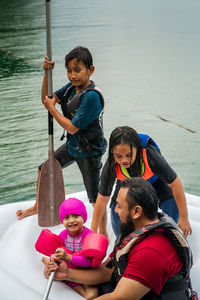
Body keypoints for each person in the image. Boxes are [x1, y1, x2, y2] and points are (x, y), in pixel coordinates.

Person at [43, 178, 195, 300]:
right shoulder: (134, 230)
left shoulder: (151, 251)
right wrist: (66, 273)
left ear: (137, 211)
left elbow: (120, 297)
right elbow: (108, 271)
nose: (115, 211)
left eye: (119, 206)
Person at [16, 46, 107, 221]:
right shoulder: (71, 88)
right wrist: (46, 73)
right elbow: (47, 100)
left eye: (77, 71)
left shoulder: (91, 97)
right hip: (73, 145)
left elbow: (72, 127)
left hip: (89, 152)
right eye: (69, 71)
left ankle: (101, 234)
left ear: (90, 70)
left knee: (95, 198)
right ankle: (37, 207)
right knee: (44, 170)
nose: (73, 75)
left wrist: (52, 109)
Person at [91, 126, 192, 238]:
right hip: (127, 186)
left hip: (154, 183)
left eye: (128, 155)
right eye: (118, 156)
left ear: (137, 149)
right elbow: (102, 198)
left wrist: (184, 217)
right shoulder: (112, 164)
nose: (124, 160)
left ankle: (162, 237)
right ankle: (126, 241)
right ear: (112, 153)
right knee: (116, 215)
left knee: (173, 207)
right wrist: (92, 233)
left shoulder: (149, 154)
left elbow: (175, 184)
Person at [43, 197, 98, 299]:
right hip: (67, 268)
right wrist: (53, 259)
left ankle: (69, 280)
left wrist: (68, 257)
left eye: (76, 216)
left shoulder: (89, 236)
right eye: (67, 217)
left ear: (83, 217)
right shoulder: (62, 235)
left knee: (92, 295)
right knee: (47, 271)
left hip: (84, 271)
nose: (71, 221)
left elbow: (87, 262)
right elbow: (56, 253)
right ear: (62, 220)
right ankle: (48, 262)